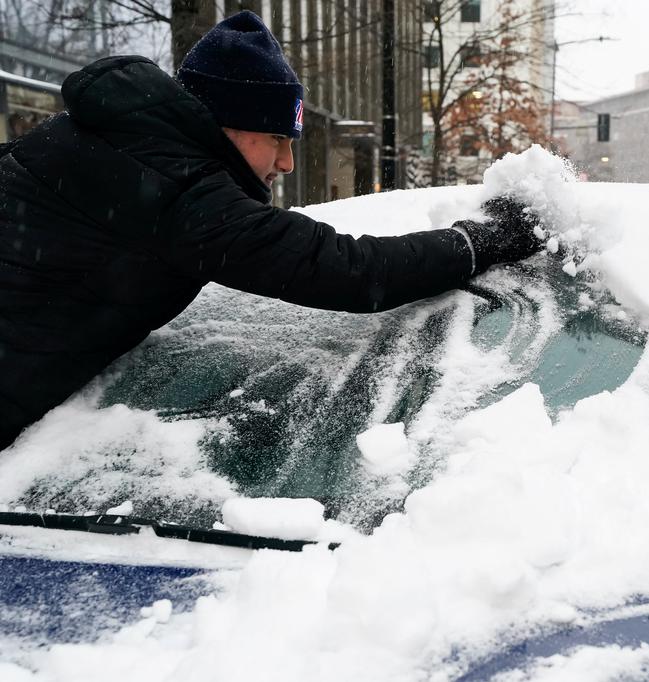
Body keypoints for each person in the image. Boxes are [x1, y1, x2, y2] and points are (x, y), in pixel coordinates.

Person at [0, 11, 542, 450]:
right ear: (223, 122)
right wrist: (485, 239)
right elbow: (352, 271)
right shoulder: (178, 192)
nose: (286, 162)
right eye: (276, 138)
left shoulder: (86, 141)